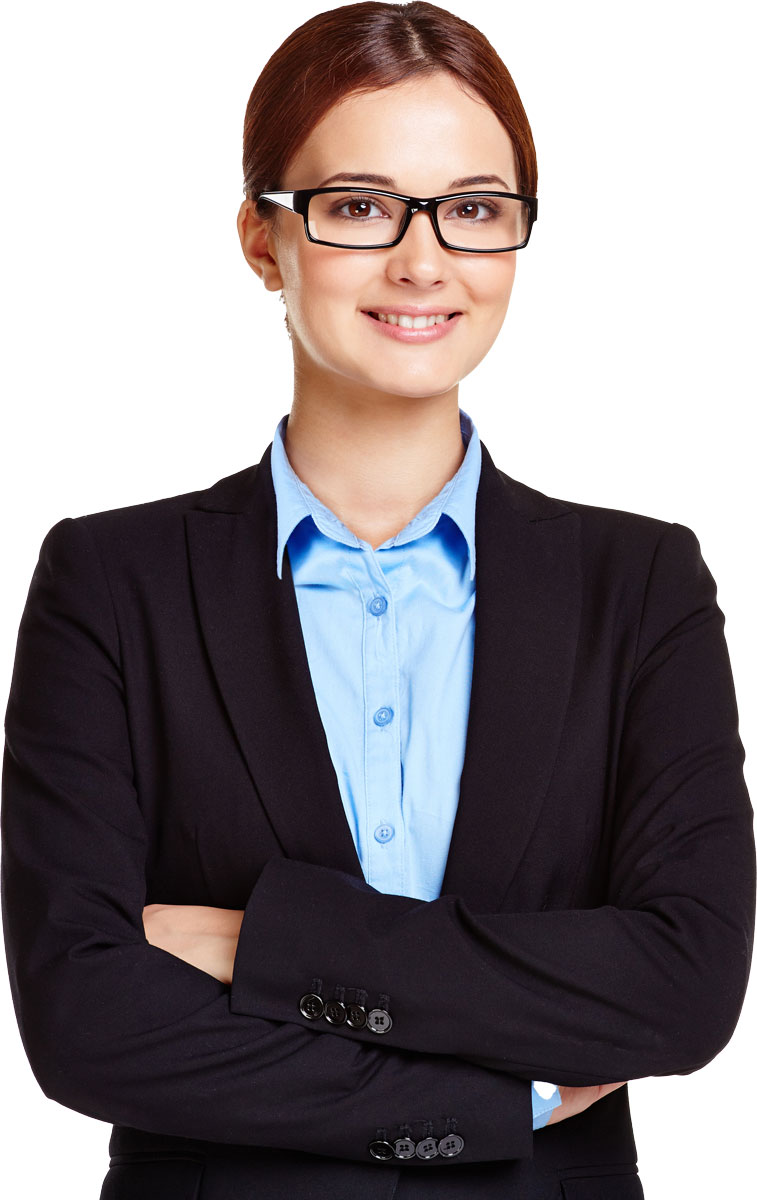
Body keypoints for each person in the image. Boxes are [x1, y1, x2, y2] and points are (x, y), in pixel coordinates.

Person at [1, 3, 754, 1198]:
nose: (423, 260)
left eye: (474, 209)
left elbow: (683, 982)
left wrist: (264, 944)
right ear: (262, 238)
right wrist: (496, 1097)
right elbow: (84, 1015)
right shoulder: (112, 583)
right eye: (358, 206)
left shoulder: (639, 587)